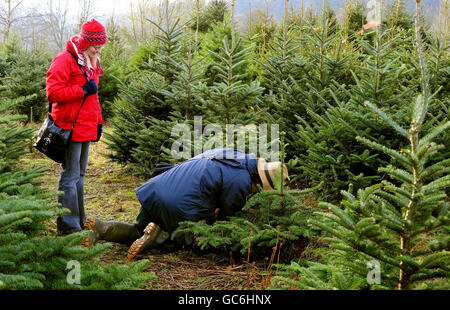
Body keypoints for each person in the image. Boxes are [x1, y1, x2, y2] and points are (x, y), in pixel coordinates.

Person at [83, 148, 290, 259]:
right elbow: (229, 219)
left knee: (137, 230)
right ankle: (159, 237)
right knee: (186, 243)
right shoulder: (241, 180)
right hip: (179, 205)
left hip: (159, 186)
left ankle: (101, 228)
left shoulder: (234, 154)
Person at [46, 19, 108, 235]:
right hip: (70, 127)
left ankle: (80, 221)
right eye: (95, 45)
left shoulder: (91, 62)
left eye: (101, 45)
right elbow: (53, 93)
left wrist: (98, 123)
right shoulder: (65, 60)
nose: (98, 49)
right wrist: (81, 90)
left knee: (80, 176)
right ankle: (67, 226)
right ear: (85, 42)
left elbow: (94, 98)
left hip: (85, 127)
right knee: (70, 176)